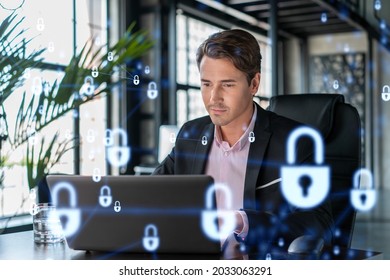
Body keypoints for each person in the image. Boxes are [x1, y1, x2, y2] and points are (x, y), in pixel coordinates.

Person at [153, 29, 334, 254]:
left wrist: (244, 222)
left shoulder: (295, 142)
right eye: (206, 84)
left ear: (254, 84)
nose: (213, 98)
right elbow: (152, 193)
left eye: (227, 85)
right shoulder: (190, 134)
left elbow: (319, 222)